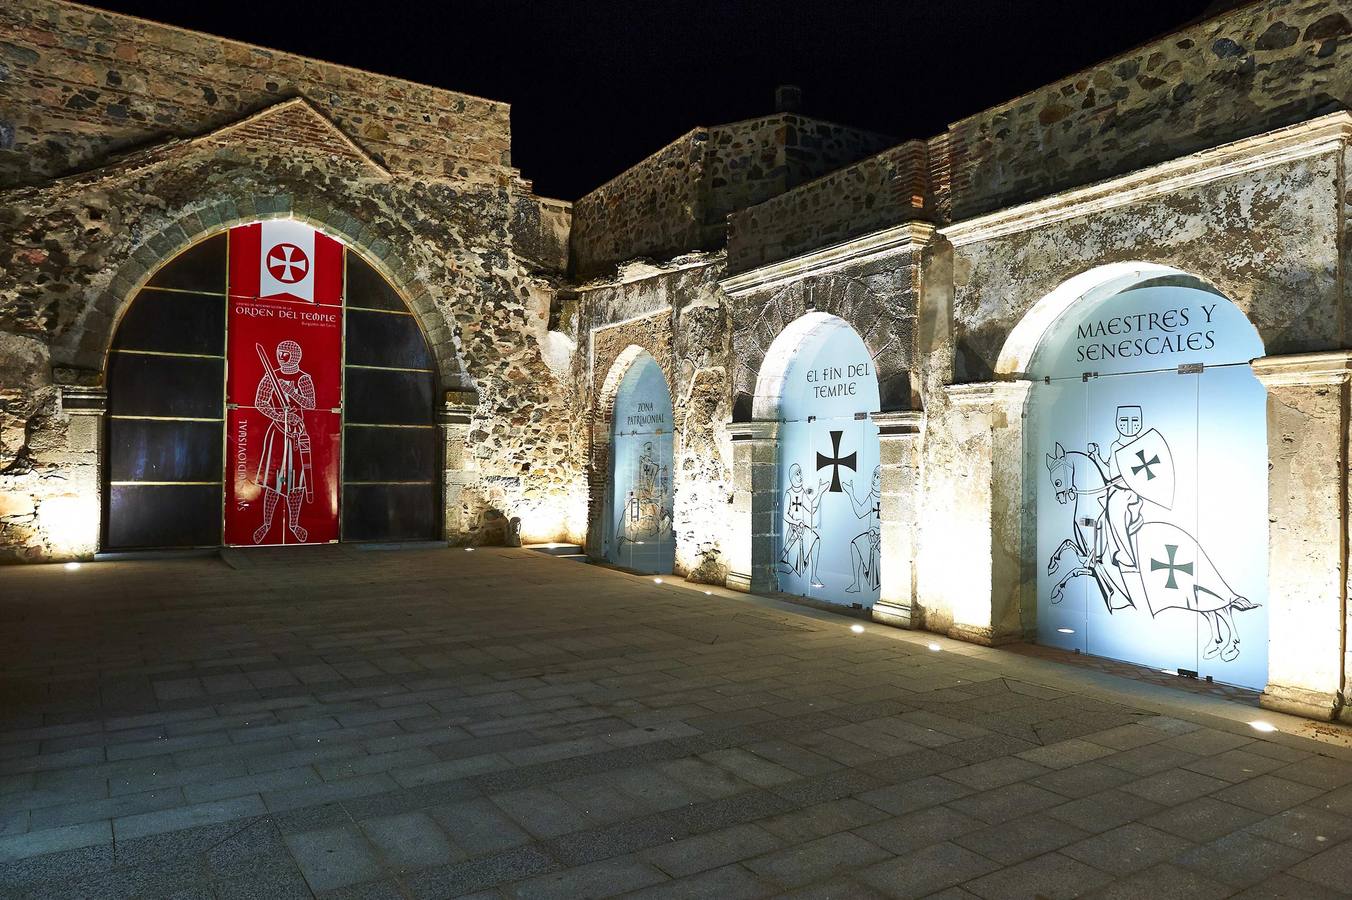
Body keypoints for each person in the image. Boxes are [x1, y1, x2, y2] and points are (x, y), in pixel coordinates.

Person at [253, 340, 315, 543]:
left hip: (298, 434)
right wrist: (280, 416)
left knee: (296, 482)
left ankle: (294, 524)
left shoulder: (303, 378)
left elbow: (311, 403)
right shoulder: (271, 376)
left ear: (295, 356)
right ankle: (267, 524)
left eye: (285, 354)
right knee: (274, 481)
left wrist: (291, 392)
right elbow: (260, 401)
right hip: (278, 433)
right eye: (280, 353)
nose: (281, 358)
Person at [780, 463, 826, 588]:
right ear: (791, 477)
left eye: (800, 473)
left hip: (802, 529)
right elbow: (785, 515)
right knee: (790, 564)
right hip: (793, 531)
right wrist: (796, 522)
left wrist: (820, 492)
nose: (800, 476)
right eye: (797, 474)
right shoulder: (789, 493)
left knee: (815, 540)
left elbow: (812, 507)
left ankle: (814, 575)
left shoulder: (802, 493)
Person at [844, 466, 882, 593]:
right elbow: (860, 512)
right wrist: (851, 493)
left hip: (881, 537)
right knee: (855, 544)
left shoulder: (887, 496)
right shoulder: (872, 496)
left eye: (879, 477)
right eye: (874, 476)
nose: (875, 480)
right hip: (871, 535)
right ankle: (856, 583)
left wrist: (877, 530)